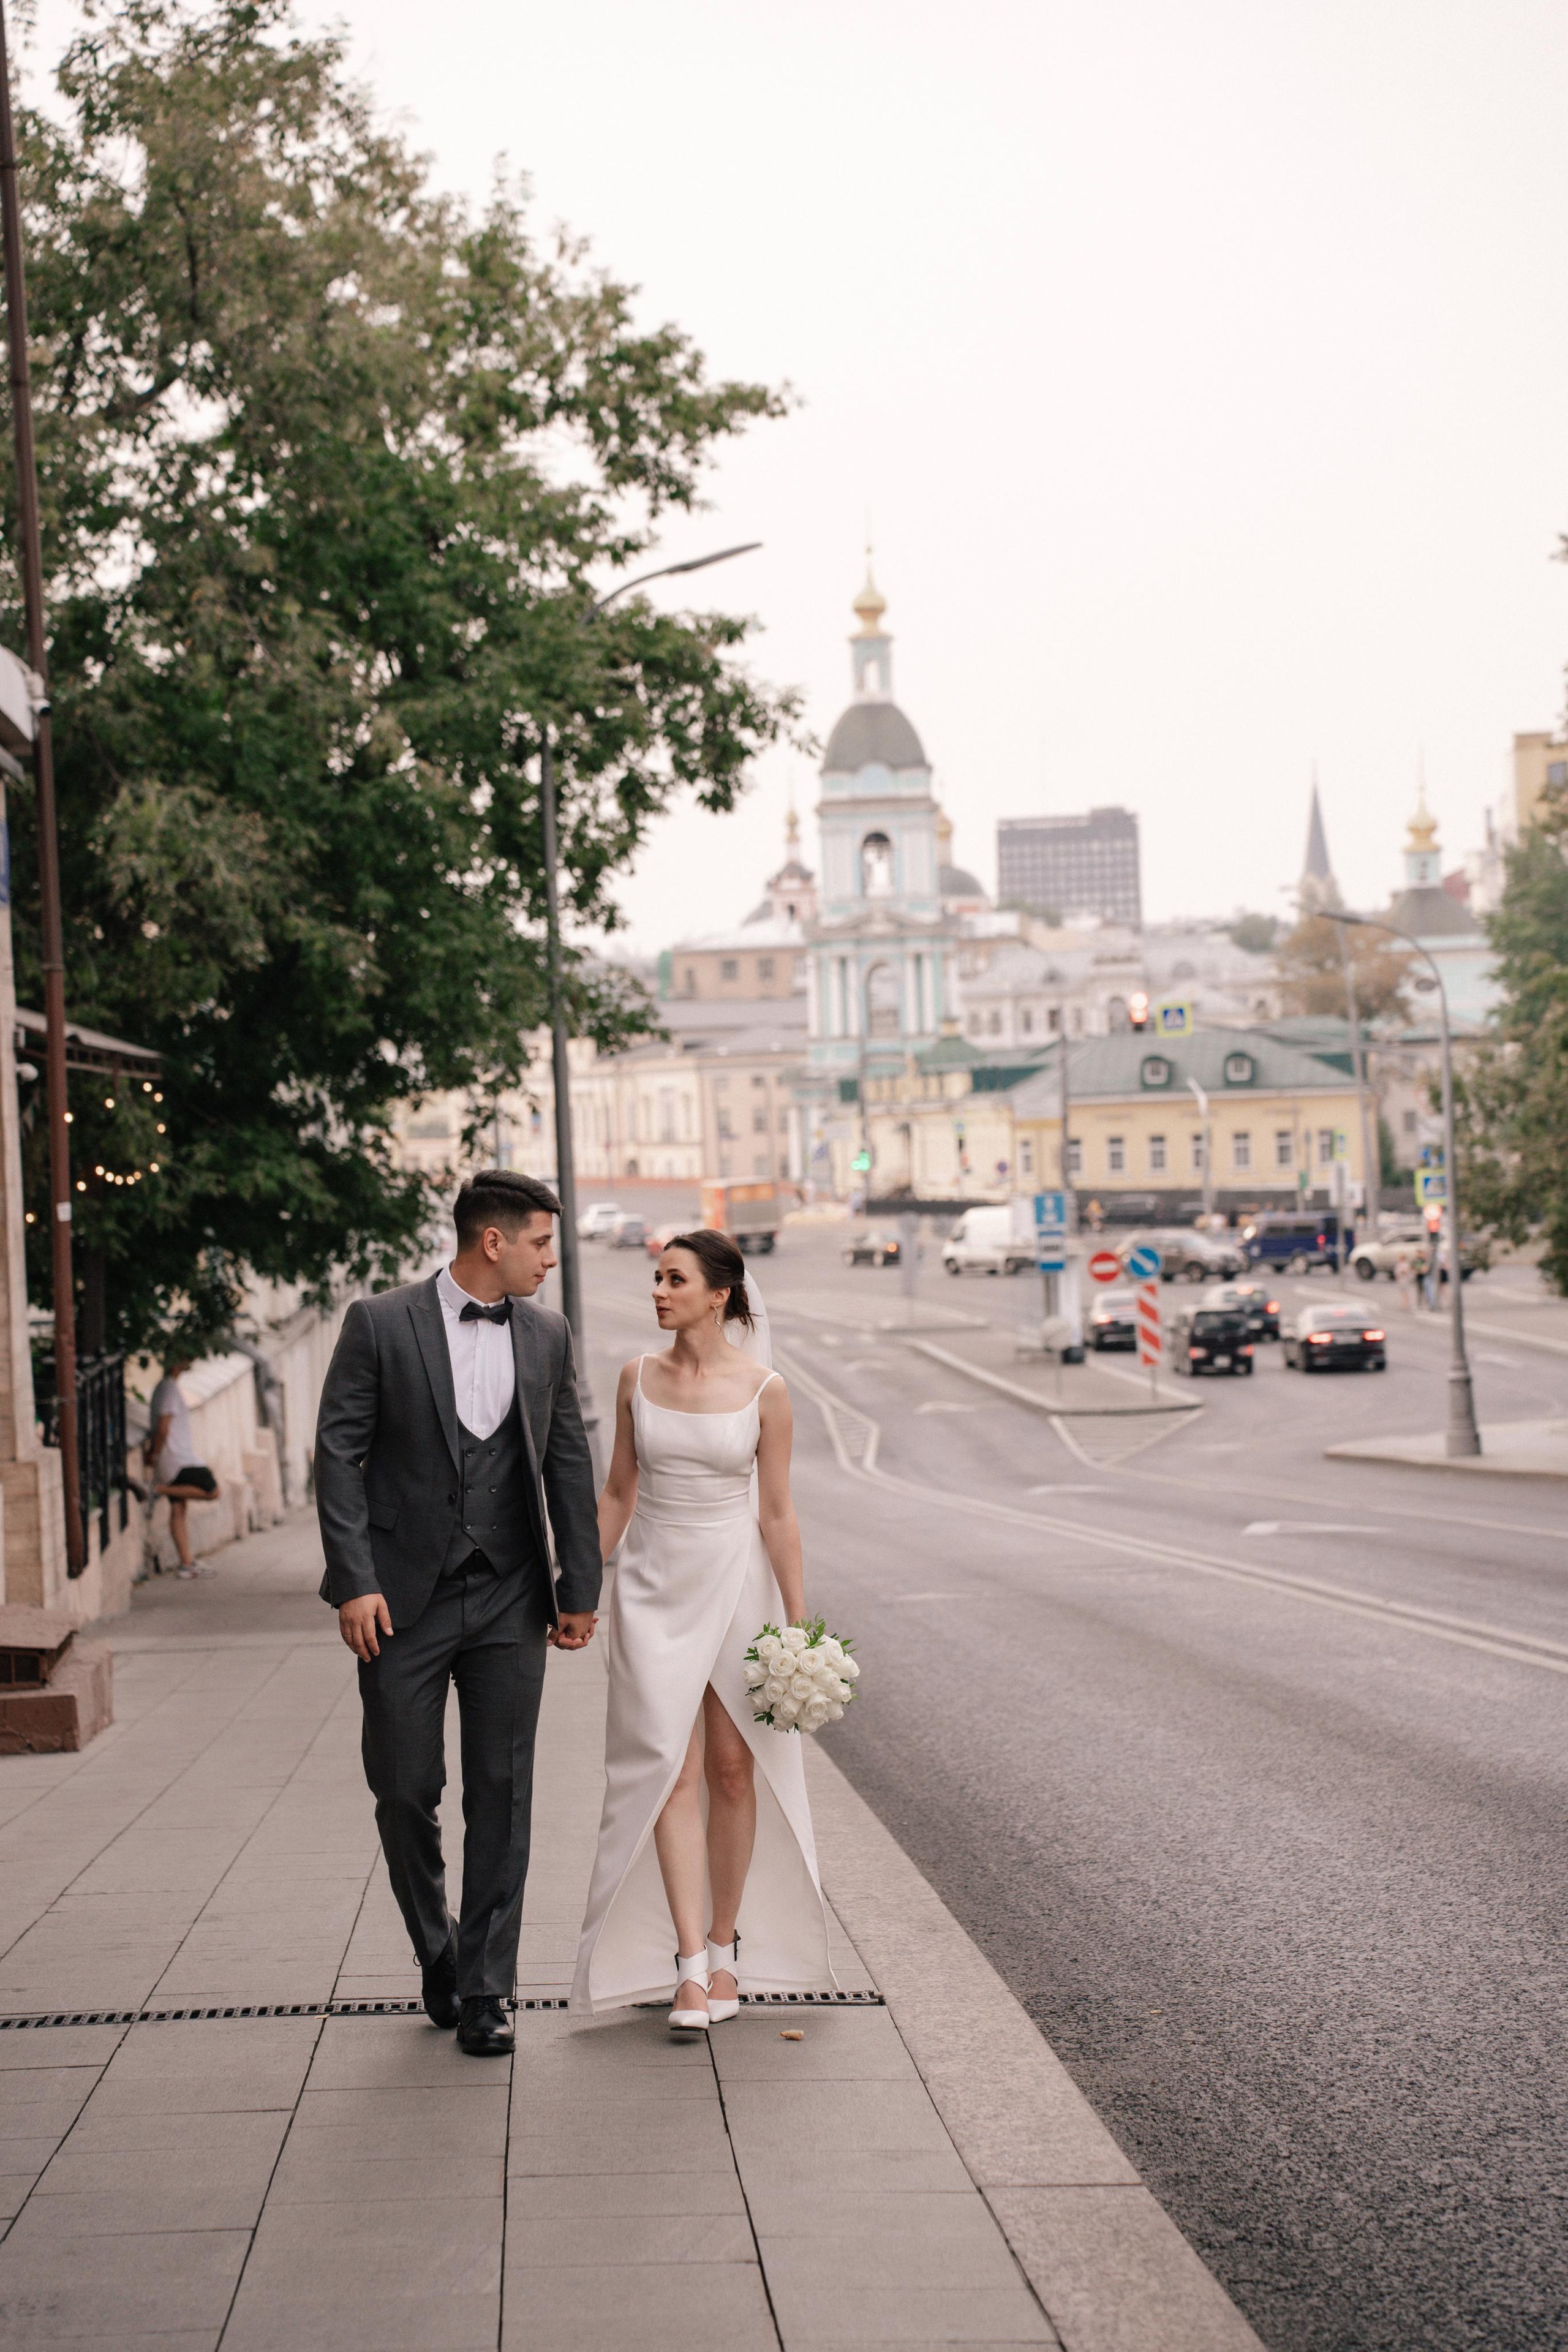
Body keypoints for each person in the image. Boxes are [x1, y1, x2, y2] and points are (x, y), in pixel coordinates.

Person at [315, 1169, 600, 2057]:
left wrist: (578, 1590)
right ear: (493, 1242)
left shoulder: (548, 1334)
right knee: (403, 1791)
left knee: (503, 1794)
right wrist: (353, 1578)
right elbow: (337, 1454)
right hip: (400, 1600)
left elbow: (567, 1465)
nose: (552, 1261)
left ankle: (487, 1989)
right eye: (542, 1244)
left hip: (512, 1593)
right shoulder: (380, 1323)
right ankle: (437, 1949)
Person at [572, 1229, 832, 2031]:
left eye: (673, 1279)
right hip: (652, 1589)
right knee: (665, 1774)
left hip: (738, 1586)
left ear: (718, 1293)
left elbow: (779, 1513)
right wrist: (576, 1588)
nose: (658, 1290)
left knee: (729, 1769)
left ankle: (725, 1950)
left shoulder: (766, 1391)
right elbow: (617, 1494)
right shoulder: (634, 1379)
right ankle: (687, 1967)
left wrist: (799, 1629)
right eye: (656, 1278)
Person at [143, 1357, 221, 1577]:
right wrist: (154, 1454)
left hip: (172, 1459)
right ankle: (156, 1490)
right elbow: (163, 1428)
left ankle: (186, 1563)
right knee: (212, 1490)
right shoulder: (168, 1389)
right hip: (177, 1460)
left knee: (178, 1510)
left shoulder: (166, 1387)